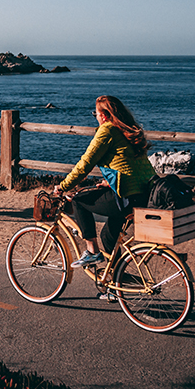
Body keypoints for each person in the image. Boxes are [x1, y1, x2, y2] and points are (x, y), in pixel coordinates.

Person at [53, 95, 155, 268]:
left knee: (79, 201)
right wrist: (109, 183)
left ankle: (92, 252)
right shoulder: (126, 130)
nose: (96, 118)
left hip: (126, 197)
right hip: (143, 193)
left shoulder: (107, 130)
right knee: (108, 236)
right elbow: (128, 166)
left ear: (104, 116)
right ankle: (115, 286)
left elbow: (85, 165)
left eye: (96, 114)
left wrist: (63, 186)